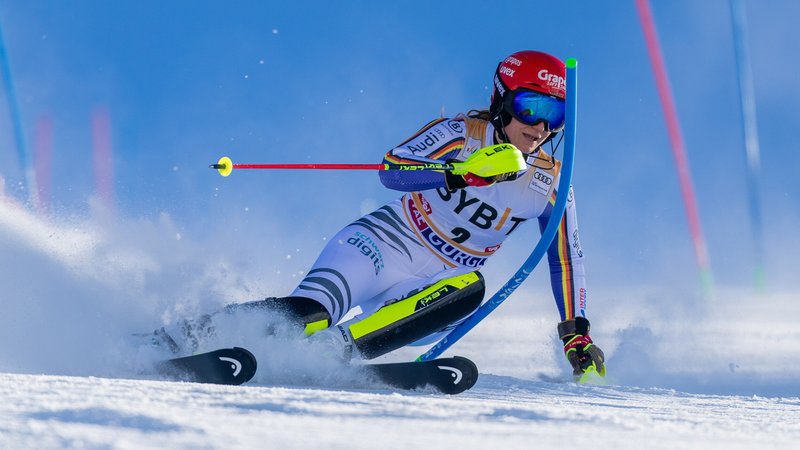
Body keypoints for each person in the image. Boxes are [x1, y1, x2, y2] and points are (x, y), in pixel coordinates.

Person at [156, 50, 605, 380]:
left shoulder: (552, 182)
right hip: (380, 245)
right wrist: (460, 174)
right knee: (310, 312)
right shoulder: (460, 134)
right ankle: (180, 337)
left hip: (433, 289)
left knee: (471, 288)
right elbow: (392, 171)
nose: (541, 126)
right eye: (533, 107)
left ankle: (332, 354)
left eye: (556, 115)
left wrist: (575, 333)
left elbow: (565, 258)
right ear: (504, 100)